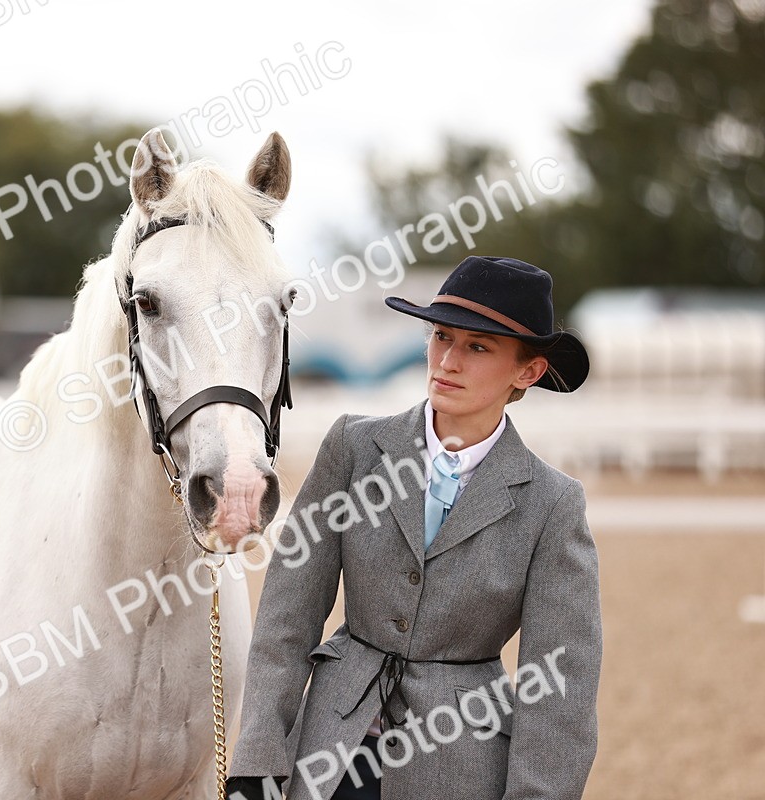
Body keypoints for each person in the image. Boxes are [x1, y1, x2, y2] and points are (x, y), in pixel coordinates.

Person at [224, 256, 602, 800]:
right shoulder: (353, 449)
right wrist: (257, 761)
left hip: (462, 768)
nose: (447, 360)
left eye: (477, 347)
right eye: (441, 336)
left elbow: (560, 687)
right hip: (328, 759)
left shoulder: (552, 505)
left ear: (528, 371)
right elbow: (287, 619)